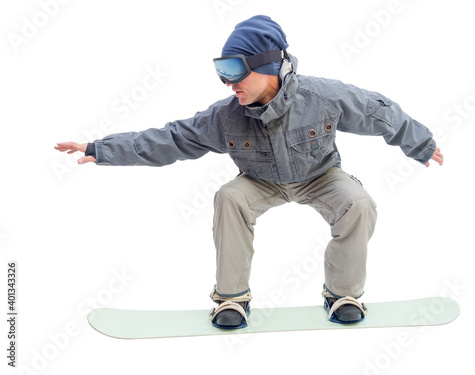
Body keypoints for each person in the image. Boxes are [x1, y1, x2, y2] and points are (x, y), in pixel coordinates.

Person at [55, 15, 443, 329]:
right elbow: (169, 139)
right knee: (229, 196)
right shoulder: (226, 115)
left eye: (234, 70)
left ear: (268, 66)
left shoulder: (322, 97)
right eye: (220, 71)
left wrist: (420, 144)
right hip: (260, 181)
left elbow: (378, 112)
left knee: (359, 203)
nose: (227, 82)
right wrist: (100, 149)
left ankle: (342, 293)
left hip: (321, 177)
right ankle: (231, 299)